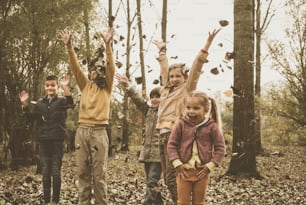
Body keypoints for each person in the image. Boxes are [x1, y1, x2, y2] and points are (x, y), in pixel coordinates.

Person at [153, 28, 220, 204]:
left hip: (174, 133)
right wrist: (162, 51)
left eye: (178, 76)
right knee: (169, 178)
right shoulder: (165, 90)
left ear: (184, 78)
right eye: (172, 76)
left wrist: (207, 44)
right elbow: (163, 68)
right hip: (161, 135)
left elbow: (197, 67)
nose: (174, 79)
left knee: (172, 178)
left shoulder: (186, 90)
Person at [59, 27, 115, 205]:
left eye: (99, 69)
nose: (94, 71)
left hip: (99, 132)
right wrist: (69, 46)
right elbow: (75, 67)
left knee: (99, 176)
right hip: (82, 131)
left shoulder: (107, 87)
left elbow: (112, 67)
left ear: (103, 73)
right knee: (82, 173)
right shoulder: (85, 85)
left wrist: (107, 45)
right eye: (93, 69)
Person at [20, 75, 74, 205]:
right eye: (48, 85)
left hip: (57, 141)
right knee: (45, 172)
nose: (50, 87)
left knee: (56, 171)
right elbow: (31, 119)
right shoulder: (39, 103)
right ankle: (46, 201)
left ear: (56, 87)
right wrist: (25, 105)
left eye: (53, 85)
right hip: (43, 141)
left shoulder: (62, 101)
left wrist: (65, 87)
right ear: (45, 87)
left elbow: (71, 103)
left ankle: (54, 201)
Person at [167, 91, 226, 205]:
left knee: (199, 202)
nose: (191, 111)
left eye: (196, 108)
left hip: (202, 172)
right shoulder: (181, 124)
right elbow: (171, 145)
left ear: (206, 109)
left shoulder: (212, 126)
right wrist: (177, 163)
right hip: (183, 170)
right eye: (188, 108)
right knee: (182, 202)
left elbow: (220, 147)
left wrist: (210, 165)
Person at [116, 73, 164, 205]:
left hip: (159, 154)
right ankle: (159, 203)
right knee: (152, 180)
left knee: (152, 181)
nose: (154, 99)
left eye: (158, 97)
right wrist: (128, 86)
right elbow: (138, 100)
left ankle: (147, 203)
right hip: (147, 153)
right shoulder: (148, 111)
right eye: (152, 97)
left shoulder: (165, 112)